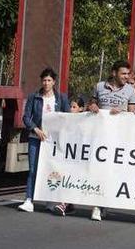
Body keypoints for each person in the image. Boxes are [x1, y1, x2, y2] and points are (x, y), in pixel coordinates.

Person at [87, 60, 135, 221]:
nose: (126, 77)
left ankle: (104, 203)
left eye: (128, 74)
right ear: (114, 73)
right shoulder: (100, 86)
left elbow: (133, 113)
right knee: (99, 170)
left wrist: (122, 112)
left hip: (118, 138)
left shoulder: (130, 90)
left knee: (111, 171)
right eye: (123, 73)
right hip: (99, 136)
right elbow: (92, 102)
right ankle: (97, 205)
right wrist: (93, 107)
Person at [18, 68, 71, 213]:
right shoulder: (34, 97)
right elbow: (26, 117)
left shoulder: (61, 99)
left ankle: (50, 200)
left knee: (51, 169)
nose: (46, 83)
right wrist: (35, 129)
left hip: (53, 141)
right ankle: (29, 199)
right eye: (44, 80)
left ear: (54, 82)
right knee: (33, 169)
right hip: (36, 138)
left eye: (49, 80)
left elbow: (67, 117)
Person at [51, 95, 85, 216]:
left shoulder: (84, 121)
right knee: (66, 176)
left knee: (72, 178)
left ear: (81, 108)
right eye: (70, 107)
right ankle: (68, 205)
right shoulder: (66, 120)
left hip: (78, 156)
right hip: (67, 155)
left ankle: (64, 204)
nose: (71, 109)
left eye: (74, 107)